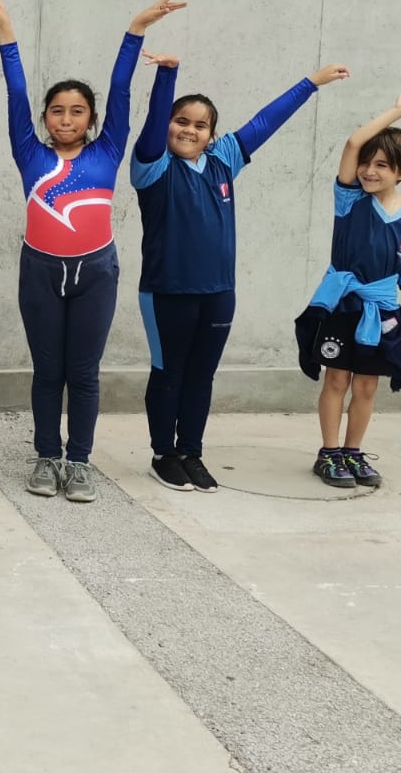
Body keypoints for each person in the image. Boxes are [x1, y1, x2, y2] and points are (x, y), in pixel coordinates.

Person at [0, 0, 186, 503]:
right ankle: (47, 456)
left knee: (84, 373)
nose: (66, 119)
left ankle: (79, 462)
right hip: (40, 272)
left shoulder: (108, 149)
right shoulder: (28, 152)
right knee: (48, 372)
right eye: (57, 111)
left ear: (91, 119)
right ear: (45, 118)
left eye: (77, 112)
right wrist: (5, 32)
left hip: (95, 272)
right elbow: (15, 92)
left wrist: (136, 28)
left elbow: (121, 89)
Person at [131, 54, 350, 492]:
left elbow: (265, 122)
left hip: (218, 292)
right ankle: (163, 455)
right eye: (181, 121)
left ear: (211, 135)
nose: (189, 130)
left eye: (200, 125)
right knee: (169, 373)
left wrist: (311, 83)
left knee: (201, 375)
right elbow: (154, 127)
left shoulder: (223, 161)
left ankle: (190, 452)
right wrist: (167, 75)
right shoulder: (152, 166)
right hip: (166, 290)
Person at [295, 83, 401, 489]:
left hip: (383, 309)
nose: (369, 170)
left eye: (382, 165)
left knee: (367, 385)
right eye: (367, 163)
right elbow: (354, 142)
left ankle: (353, 452)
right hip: (343, 305)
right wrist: (399, 109)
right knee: (336, 379)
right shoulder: (349, 199)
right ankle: (329, 453)